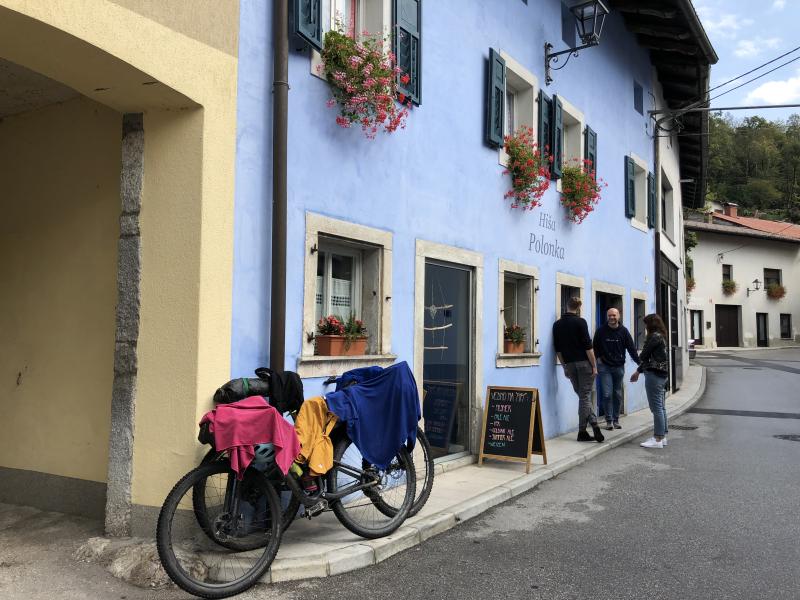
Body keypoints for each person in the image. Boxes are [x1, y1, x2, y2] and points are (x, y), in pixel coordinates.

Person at [553, 297, 604, 443]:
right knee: (584, 396)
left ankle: (584, 431)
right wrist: (594, 365)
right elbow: (588, 346)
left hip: (569, 364)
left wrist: (564, 367)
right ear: (579, 308)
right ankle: (589, 428)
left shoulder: (557, 325)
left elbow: (558, 350)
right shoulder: (580, 322)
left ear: (566, 306)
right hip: (584, 363)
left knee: (583, 397)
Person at [592, 308, 640, 431]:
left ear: (618, 316)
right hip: (604, 367)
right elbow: (595, 347)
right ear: (607, 317)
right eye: (609, 315)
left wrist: (640, 363)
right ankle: (609, 421)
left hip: (618, 367)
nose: (611, 317)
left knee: (617, 394)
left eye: (614, 315)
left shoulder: (624, 331)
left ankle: (616, 419)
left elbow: (631, 348)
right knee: (607, 394)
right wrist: (597, 360)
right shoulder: (601, 331)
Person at [630, 314, 670, 449]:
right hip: (662, 374)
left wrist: (639, 363)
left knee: (656, 407)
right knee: (661, 406)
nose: (645, 327)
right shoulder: (661, 336)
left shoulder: (654, 337)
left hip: (654, 375)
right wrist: (638, 371)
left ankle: (657, 438)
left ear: (650, 325)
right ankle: (662, 436)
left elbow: (644, 355)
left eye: (646, 324)